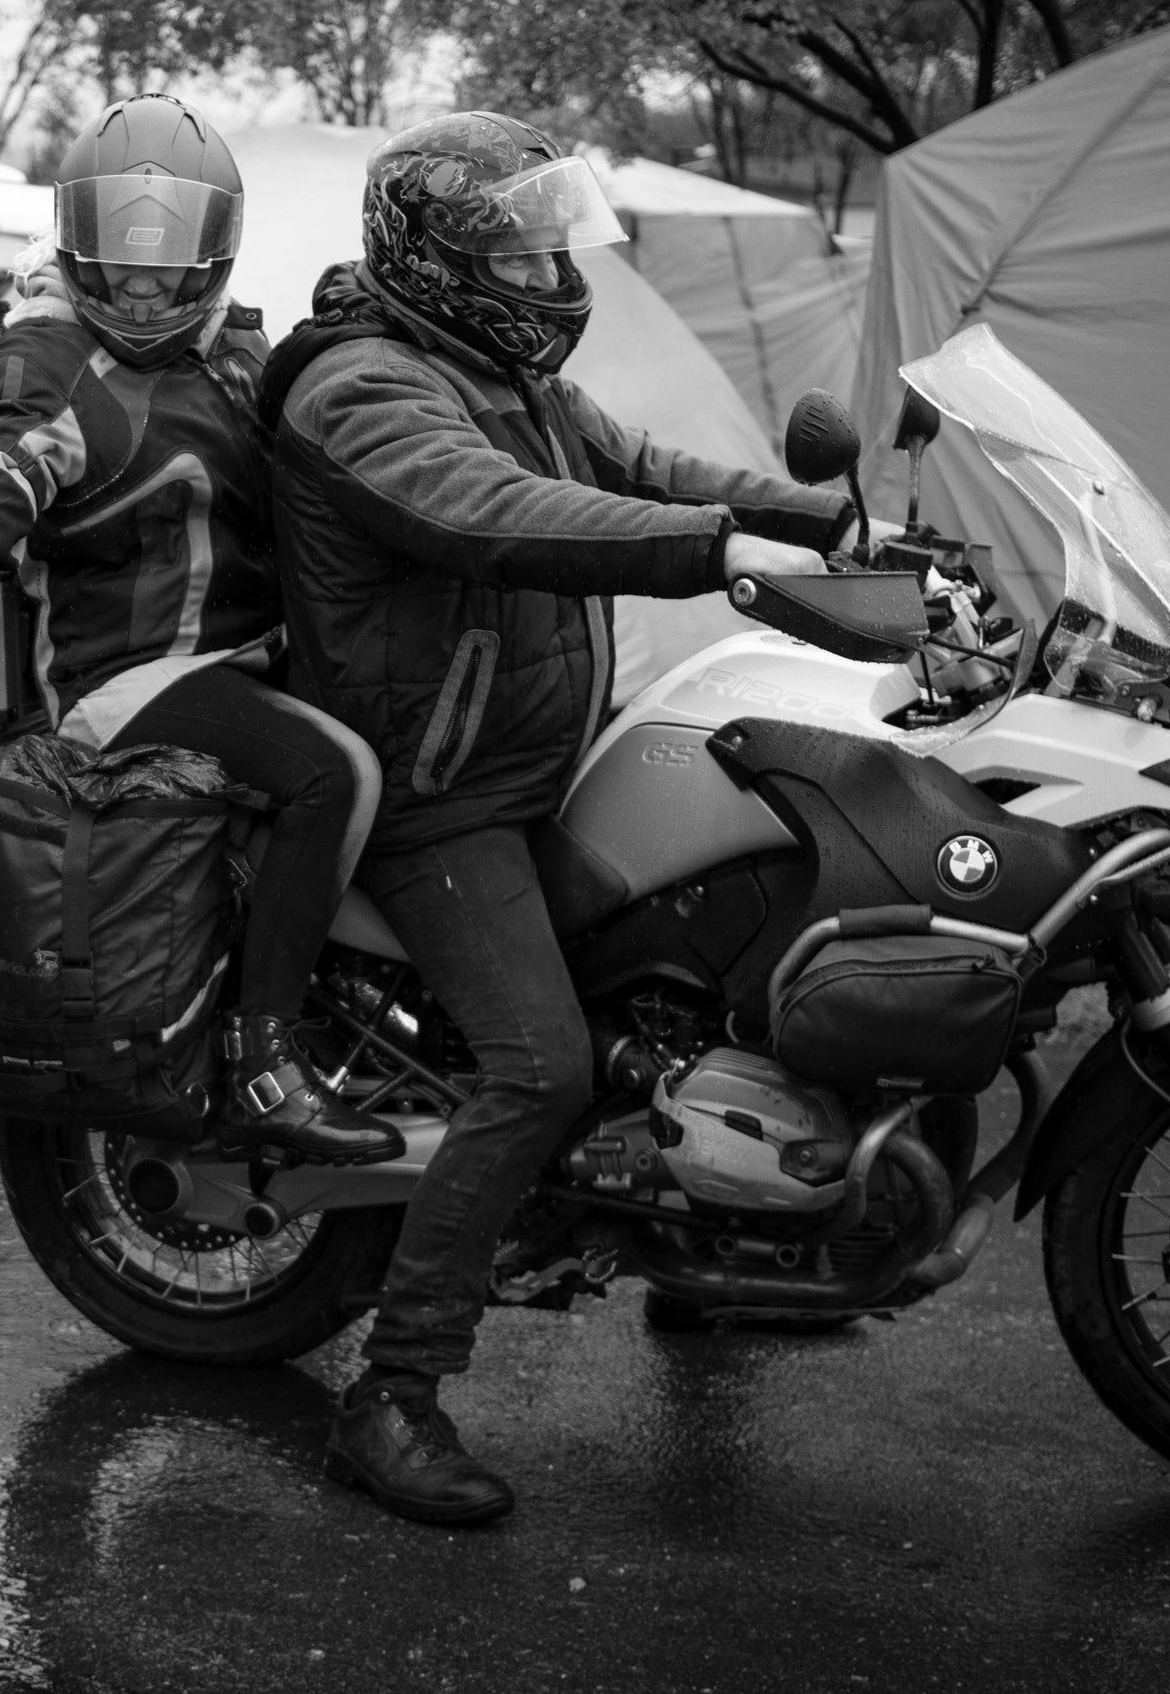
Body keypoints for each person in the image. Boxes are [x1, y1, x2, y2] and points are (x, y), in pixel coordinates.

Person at [260, 111, 860, 1526]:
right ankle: (393, 1393)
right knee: (539, 1063)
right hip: (432, 795)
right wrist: (733, 560)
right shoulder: (360, 389)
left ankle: (719, 1260)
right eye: (521, 247)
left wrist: (826, 525)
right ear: (443, 260)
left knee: (726, 940)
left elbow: (646, 465)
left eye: (551, 236)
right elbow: (497, 513)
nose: (550, 267)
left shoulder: (500, 366)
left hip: (536, 761)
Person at [0, 94, 395, 1164]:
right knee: (338, 774)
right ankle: (265, 1061)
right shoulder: (55, 371)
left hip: (228, 655)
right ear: (76, 241)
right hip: (121, 676)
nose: (141, 282)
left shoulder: (225, 348)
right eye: (119, 255)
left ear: (217, 248)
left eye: (167, 256)